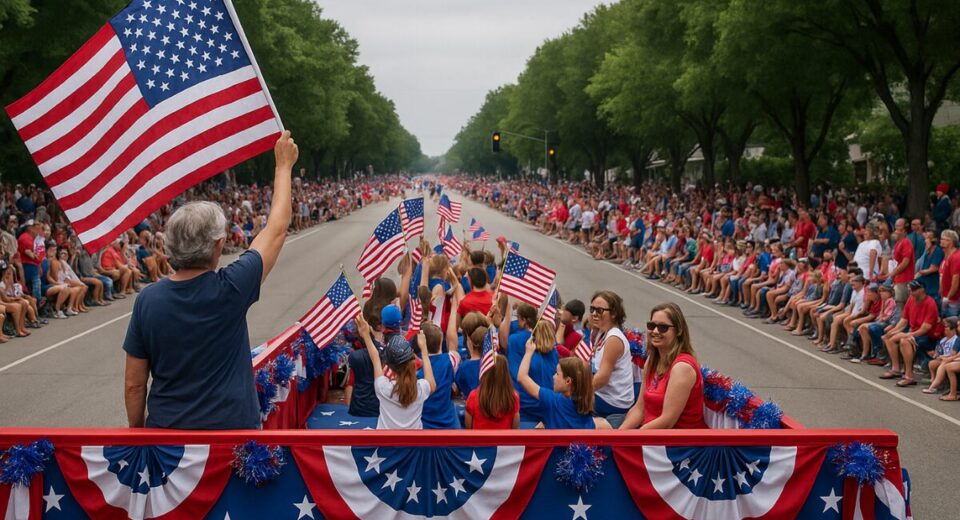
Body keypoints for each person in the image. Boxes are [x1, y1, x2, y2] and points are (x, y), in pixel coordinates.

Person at [123, 131, 298, 429]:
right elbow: (277, 228)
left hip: (168, 440)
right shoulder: (232, 287)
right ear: (218, 246)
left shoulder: (147, 300)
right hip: (231, 439)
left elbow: (134, 384)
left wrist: (138, 435)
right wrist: (283, 167)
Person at [620, 302, 707, 429]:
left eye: (663, 327)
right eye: (651, 326)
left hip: (677, 442)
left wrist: (633, 437)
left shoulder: (682, 368)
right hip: (651, 434)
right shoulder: (651, 360)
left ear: (679, 331)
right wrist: (619, 435)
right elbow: (639, 409)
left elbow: (667, 422)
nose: (655, 331)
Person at [361, 314, 436, 430]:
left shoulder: (383, 388)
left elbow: (375, 357)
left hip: (387, 446)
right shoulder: (421, 388)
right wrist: (424, 349)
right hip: (412, 447)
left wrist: (366, 335)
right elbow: (432, 384)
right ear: (412, 361)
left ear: (390, 366)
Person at [516, 339, 610, 429]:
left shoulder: (552, 400)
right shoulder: (587, 404)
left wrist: (528, 352)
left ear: (568, 381)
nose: (553, 377)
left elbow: (522, 377)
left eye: (557, 374)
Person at [879, 280, 940, 387]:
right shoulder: (911, 300)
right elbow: (904, 320)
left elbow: (925, 328)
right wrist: (894, 331)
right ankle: (896, 369)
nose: (911, 291)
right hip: (914, 331)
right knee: (889, 337)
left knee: (905, 341)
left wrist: (908, 335)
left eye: (914, 289)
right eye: (910, 289)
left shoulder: (930, 303)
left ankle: (909, 376)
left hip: (927, 335)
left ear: (922, 290)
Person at [588, 290, 635, 417]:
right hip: (603, 394)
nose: (594, 314)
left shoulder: (614, 338)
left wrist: (578, 392)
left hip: (613, 401)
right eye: (592, 309)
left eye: (599, 310)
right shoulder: (600, 333)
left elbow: (602, 377)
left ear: (613, 314)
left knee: (562, 403)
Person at [465, 354, 520, 429]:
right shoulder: (513, 397)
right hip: (504, 440)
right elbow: (514, 428)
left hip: (479, 440)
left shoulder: (473, 396)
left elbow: (468, 428)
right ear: (506, 374)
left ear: (485, 372)